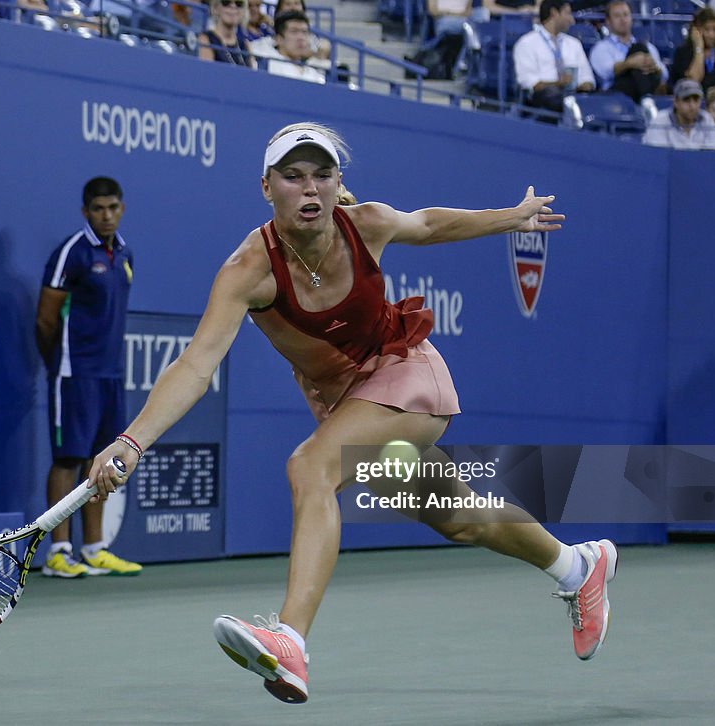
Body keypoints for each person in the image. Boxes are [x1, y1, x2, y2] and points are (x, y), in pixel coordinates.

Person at [86, 123, 619, 703]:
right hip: (347, 402)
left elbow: (430, 223)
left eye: (322, 175)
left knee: (310, 468)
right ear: (266, 186)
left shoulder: (364, 224)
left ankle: (290, 640)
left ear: (339, 183)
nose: (309, 188)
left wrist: (507, 218)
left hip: (407, 375)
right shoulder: (249, 270)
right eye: (293, 176)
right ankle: (577, 567)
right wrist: (132, 441)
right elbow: (196, 366)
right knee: (459, 518)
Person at [35, 177, 142, 579]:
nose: (107, 215)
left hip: (110, 374)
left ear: (122, 208)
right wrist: (59, 364)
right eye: (99, 209)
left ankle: (94, 547)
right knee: (67, 458)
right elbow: (46, 319)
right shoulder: (71, 253)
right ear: (85, 212)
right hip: (73, 372)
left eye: (113, 207)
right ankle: (59, 551)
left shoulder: (126, 253)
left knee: (105, 460)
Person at [513, 0, 596, 115]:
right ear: (554, 13)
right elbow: (532, 84)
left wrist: (585, 85)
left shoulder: (574, 43)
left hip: (575, 94)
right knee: (554, 97)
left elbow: (587, 77)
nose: (571, 20)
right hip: (544, 97)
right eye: (567, 13)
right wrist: (560, 83)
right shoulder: (526, 43)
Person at [588, 0, 667, 102]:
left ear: (631, 18)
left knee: (640, 49)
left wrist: (654, 67)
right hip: (616, 96)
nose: (623, 19)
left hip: (646, 87)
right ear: (608, 21)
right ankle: (646, 100)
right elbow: (605, 73)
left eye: (626, 15)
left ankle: (645, 99)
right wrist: (630, 63)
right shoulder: (601, 48)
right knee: (638, 53)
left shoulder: (648, 46)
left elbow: (664, 74)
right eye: (617, 16)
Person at [643, 79, 715, 149]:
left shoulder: (707, 120)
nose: (692, 106)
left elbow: (710, 155)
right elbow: (658, 158)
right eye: (686, 100)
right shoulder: (660, 121)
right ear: (675, 102)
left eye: (696, 100)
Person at [265, 11, 328, 84]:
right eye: (294, 32)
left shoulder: (313, 73)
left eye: (304, 32)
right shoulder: (269, 66)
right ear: (279, 39)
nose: (301, 38)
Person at [198, 0, 256, 67]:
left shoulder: (246, 45)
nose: (233, 6)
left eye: (239, 3)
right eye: (226, 2)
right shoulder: (205, 39)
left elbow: (253, 74)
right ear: (215, 8)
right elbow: (207, 72)